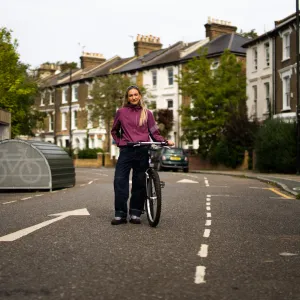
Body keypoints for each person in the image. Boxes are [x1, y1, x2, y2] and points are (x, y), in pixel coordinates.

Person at [110, 85, 174, 225]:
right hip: (126, 150)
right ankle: (120, 214)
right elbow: (114, 131)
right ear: (127, 98)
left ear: (140, 96)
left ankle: (135, 213)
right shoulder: (121, 112)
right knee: (120, 181)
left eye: (135, 94)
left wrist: (164, 141)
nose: (133, 97)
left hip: (142, 150)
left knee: (139, 183)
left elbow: (154, 132)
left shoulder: (147, 113)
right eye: (130, 95)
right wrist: (120, 142)